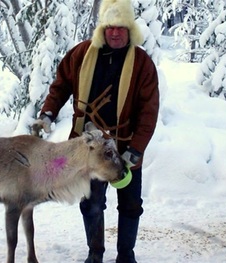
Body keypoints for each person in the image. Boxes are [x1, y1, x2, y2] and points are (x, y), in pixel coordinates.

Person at [31, 0, 159, 262]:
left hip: (126, 145)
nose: (115, 33)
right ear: (103, 28)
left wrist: (136, 149)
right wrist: (48, 113)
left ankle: (126, 255)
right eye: (110, 27)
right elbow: (60, 85)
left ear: (130, 30)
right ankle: (95, 254)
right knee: (90, 204)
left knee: (131, 205)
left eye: (120, 28)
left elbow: (149, 112)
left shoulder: (142, 64)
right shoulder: (82, 54)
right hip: (88, 147)